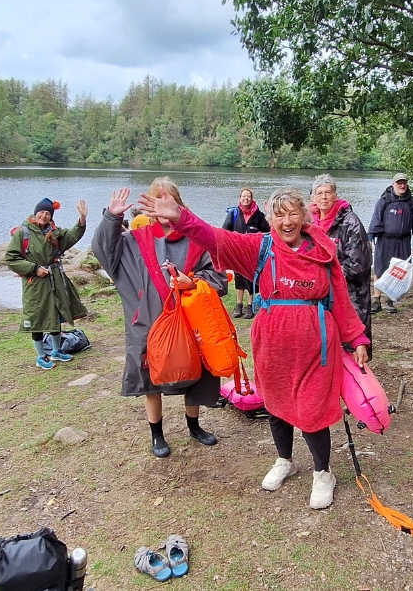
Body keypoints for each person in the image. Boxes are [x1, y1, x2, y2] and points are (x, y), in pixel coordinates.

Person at [139, 186, 369, 510]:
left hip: (316, 342)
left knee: (312, 410)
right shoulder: (260, 247)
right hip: (272, 342)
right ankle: (284, 460)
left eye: (293, 213)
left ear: (304, 214)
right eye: (279, 214)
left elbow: (341, 299)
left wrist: (357, 338)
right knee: (275, 404)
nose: (287, 221)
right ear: (270, 217)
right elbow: (216, 238)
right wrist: (181, 217)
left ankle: (323, 472)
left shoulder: (322, 250)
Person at [92, 178, 223, 459]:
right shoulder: (135, 241)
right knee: (151, 379)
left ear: (178, 204)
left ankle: (194, 426)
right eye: (156, 200)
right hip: (149, 323)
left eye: (168, 200)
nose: (162, 208)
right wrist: (112, 218)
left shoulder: (197, 240)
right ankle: (157, 434)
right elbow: (105, 252)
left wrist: (193, 282)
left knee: (196, 376)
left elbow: (219, 279)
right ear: (148, 207)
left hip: (191, 323)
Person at [4, 197, 89, 370]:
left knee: (55, 314)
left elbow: (71, 236)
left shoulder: (53, 231)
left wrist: (82, 219)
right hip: (35, 282)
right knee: (38, 316)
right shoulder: (23, 233)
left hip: (54, 278)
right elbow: (11, 258)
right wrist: (34, 269)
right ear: (35, 213)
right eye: (41, 212)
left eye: (47, 213)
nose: (44, 216)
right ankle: (41, 356)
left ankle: (56, 351)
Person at [310, 174, 374, 345]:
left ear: (335, 195)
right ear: (313, 197)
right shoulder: (309, 223)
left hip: (350, 294)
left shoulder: (350, 221)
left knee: (352, 345)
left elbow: (358, 263)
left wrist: (326, 277)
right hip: (319, 294)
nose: (324, 197)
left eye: (328, 192)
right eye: (320, 193)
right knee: (325, 344)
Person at [369, 173, 413, 314]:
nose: (402, 185)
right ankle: (376, 300)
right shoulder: (384, 201)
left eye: (404, 182)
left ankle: (390, 300)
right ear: (393, 184)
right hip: (385, 240)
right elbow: (375, 219)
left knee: (398, 271)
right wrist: (370, 238)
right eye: (399, 183)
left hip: (403, 240)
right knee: (380, 269)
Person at [222, 187, 270, 318]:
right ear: (240, 198)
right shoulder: (234, 213)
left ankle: (250, 305)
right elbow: (225, 231)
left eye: (248, 196)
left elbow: (268, 231)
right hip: (237, 252)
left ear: (252, 198)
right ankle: (238, 305)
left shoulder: (259, 215)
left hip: (254, 253)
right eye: (243, 196)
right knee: (239, 279)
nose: (246, 198)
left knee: (251, 279)